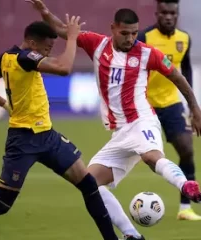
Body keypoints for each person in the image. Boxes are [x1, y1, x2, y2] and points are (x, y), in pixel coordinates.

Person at [28, 1, 201, 239]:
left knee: (151, 156)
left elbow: (178, 77)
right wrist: (45, 12)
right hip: (119, 133)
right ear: (113, 28)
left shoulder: (148, 54)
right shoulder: (97, 44)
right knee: (89, 184)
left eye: (133, 33)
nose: (130, 38)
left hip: (141, 121)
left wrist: (195, 108)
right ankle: (132, 235)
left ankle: (186, 186)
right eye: (124, 33)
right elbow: (62, 31)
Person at [0, 17, 120, 240]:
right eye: (47, 48)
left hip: (47, 136)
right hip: (23, 141)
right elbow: (64, 68)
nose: (48, 52)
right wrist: (72, 37)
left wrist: (6, 105)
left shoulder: (5, 58)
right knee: (2, 203)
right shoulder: (26, 57)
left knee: (88, 184)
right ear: (33, 44)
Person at [137, 0, 201, 221]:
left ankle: (185, 207)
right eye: (163, 12)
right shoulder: (144, 37)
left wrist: (193, 108)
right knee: (143, 156)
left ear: (177, 14)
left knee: (187, 150)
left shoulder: (184, 39)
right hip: (145, 106)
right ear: (157, 13)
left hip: (171, 104)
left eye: (172, 13)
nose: (168, 17)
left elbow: (186, 72)